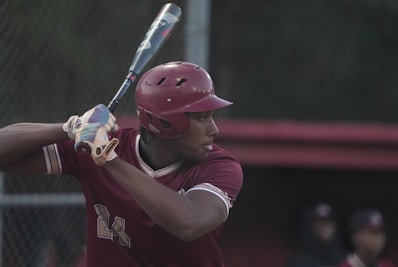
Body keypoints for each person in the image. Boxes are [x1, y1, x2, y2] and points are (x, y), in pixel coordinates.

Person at [0, 61, 243, 266]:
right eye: (202, 119)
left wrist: (109, 160)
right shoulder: (104, 146)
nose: (214, 130)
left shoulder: (219, 166)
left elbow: (189, 224)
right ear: (167, 124)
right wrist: (69, 127)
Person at [287, 202, 346, 267]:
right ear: (311, 227)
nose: (325, 227)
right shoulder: (299, 261)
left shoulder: (345, 259)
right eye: (320, 223)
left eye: (328, 223)